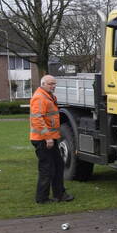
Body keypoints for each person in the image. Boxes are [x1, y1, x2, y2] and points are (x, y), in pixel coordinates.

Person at [29, 75, 74, 204]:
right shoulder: (40, 97)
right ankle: (42, 198)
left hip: (49, 138)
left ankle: (60, 194)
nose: (53, 86)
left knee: (58, 165)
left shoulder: (48, 96)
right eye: (50, 83)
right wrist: (48, 137)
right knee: (47, 168)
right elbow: (37, 119)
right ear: (43, 84)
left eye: (54, 83)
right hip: (43, 139)